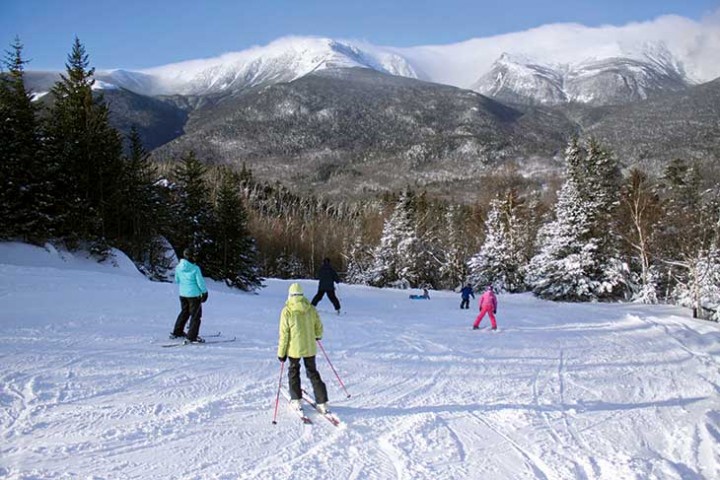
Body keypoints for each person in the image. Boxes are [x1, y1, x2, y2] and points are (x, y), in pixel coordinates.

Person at [277, 283, 330, 414]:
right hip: (310, 348)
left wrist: (281, 353)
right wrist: (317, 336)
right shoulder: (311, 308)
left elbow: (284, 334)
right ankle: (322, 402)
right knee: (313, 372)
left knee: (294, 371)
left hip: (294, 349)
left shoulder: (287, 311)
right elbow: (319, 326)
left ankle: (296, 399)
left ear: (290, 295)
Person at [171, 248, 209, 343]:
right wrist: (204, 292)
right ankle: (192, 336)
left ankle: (177, 332)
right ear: (191, 256)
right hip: (194, 295)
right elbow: (200, 282)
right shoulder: (195, 268)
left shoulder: (178, 267)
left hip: (182, 294)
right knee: (195, 316)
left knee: (184, 312)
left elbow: (177, 280)